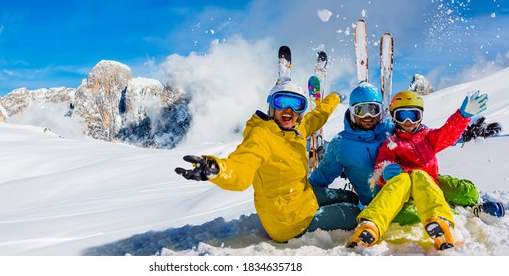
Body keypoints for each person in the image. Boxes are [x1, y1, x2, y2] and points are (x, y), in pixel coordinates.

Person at [175, 80, 361, 243]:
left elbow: (317, 116)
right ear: (271, 106)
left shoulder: (295, 129)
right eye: (282, 102)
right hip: (289, 222)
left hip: (302, 198)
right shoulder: (261, 137)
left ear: (301, 111)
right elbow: (241, 168)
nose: (288, 110)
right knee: (356, 213)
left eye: (296, 104)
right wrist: (216, 169)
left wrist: (334, 98)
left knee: (351, 198)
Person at [308, 82, 503, 226]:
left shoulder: (392, 128)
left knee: (460, 190)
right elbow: (322, 176)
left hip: (424, 182)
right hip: (384, 198)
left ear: (383, 111)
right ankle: (448, 213)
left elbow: (434, 137)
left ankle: (456, 205)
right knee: (409, 216)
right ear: (351, 111)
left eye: (373, 110)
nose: (368, 117)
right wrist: (303, 195)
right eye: (361, 111)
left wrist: (465, 125)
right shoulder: (341, 144)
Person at [347, 90, 488, 250]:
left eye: (413, 115)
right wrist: (384, 173)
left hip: (429, 183)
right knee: (403, 186)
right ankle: (371, 225)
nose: (408, 121)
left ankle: (438, 218)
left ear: (420, 116)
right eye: (402, 116)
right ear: (394, 117)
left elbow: (447, 135)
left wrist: (462, 116)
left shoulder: (428, 137)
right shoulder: (390, 144)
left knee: (460, 190)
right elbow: (380, 169)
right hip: (404, 190)